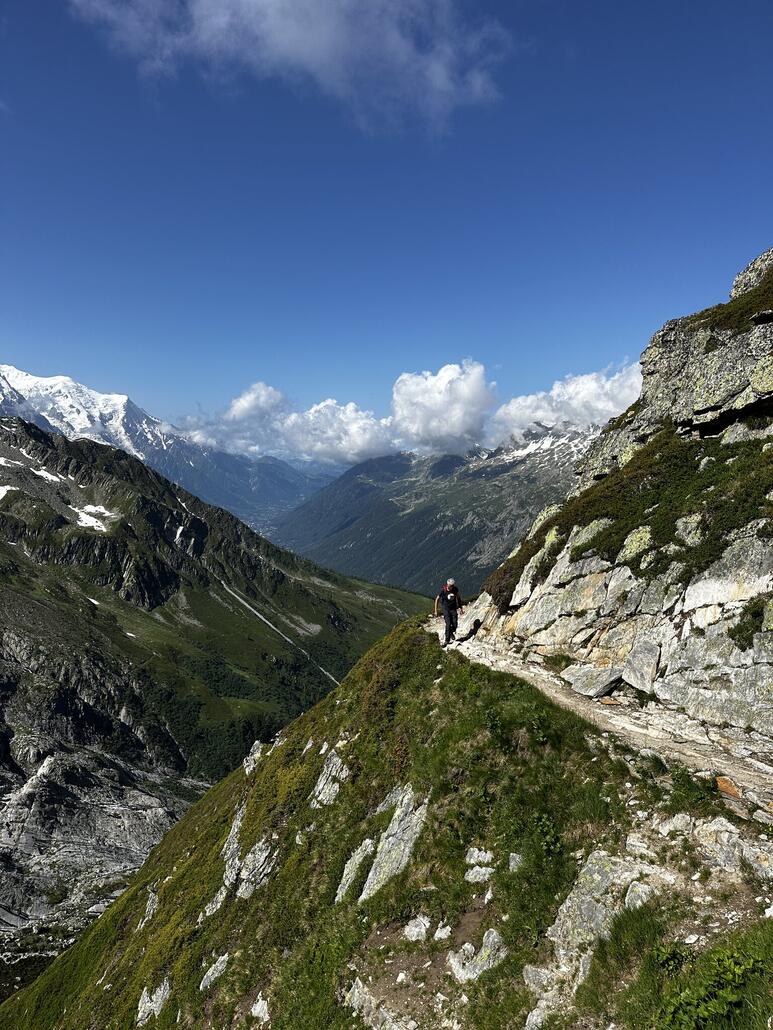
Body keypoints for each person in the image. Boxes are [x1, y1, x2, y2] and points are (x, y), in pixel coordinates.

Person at [434, 577, 464, 647]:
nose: (452, 587)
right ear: (447, 585)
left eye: (453, 585)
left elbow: (458, 598)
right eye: (451, 586)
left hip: (453, 608)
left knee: (455, 624)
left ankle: (450, 632)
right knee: (448, 624)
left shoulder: (455, 589)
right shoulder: (443, 590)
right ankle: (446, 640)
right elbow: (437, 599)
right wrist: (436, 610)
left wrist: (460, 608)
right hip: (446, 609)